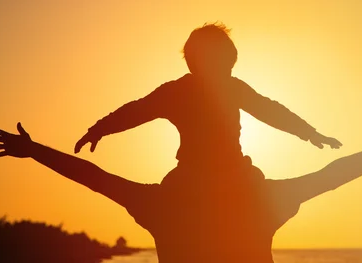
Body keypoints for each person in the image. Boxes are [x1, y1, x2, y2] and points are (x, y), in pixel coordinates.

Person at [0, 122, 362, 263]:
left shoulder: (161, 203)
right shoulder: (263, 200)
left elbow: (92, 176)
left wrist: (35, 150)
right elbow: (337, 172)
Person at [74, 23, 342, 186]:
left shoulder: (228, 87)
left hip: (232, 172)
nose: (227, 67)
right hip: (195, 175)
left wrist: (308, 132)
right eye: (222, 59)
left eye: (229, 62)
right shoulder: (180, 92)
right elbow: (136, 111)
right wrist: (101, 128)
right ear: (198, 61)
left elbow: (269, 110)